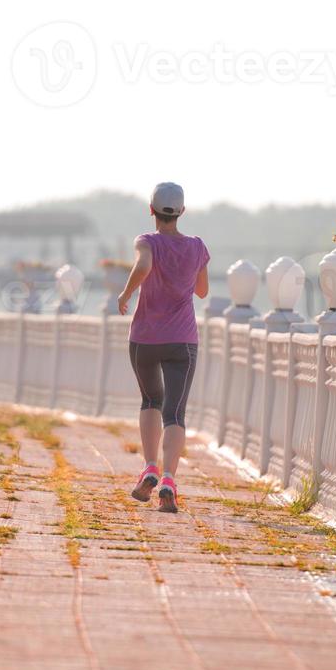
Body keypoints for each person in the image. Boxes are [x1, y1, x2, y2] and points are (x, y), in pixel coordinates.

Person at [115, 182, 210, 514]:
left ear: (151, 210)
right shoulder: (197, 247)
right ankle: (169, 479)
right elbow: (202, 291)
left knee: (151, 400)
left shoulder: (147, 241)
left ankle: (150, 467)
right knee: (175, 413)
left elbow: (142, 267)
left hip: (144, 338)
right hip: (182, 340)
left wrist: (126, 295)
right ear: (181, 211)